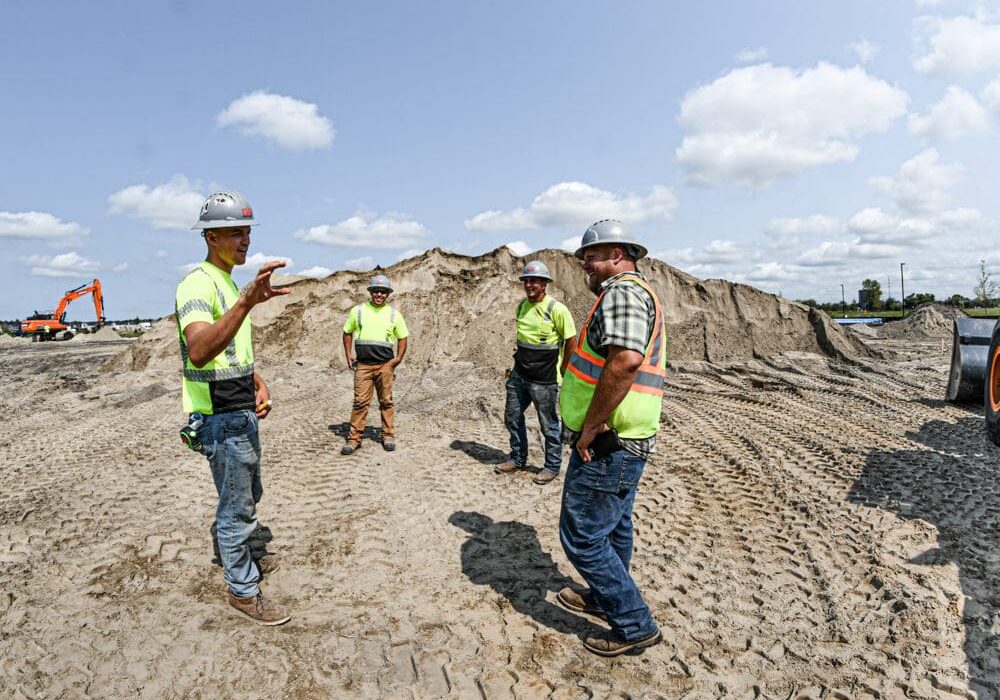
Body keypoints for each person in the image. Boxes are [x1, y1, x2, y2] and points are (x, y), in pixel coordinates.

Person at [175, 191, 292, 625]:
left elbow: (230, 353)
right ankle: (243, 591)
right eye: (235, 232)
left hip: (239, 409)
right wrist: (246, 302)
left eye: (247, 231)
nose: (245, 240)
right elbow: (201, 350)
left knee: (247, 495)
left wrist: (257, 381)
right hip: (220, 419)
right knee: (236, 507)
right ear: (210, 237)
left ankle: (244, 557)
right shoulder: (198, 284)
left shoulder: (224, 282)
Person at [556, 219, 666, 656]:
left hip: (608, 439)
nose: (585, 264)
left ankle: (633, 623)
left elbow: (624, 362)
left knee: (582, 535)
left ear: (617, 255)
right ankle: (606, 598)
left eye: (592, 256)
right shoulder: (634, 293)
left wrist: (590, 427)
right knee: (615, 524)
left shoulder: (622, 292)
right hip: (625, 437)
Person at [495, 260, 577, 485]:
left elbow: (571, 340)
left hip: (545, 380)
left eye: (535, 281)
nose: (530, 285)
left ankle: (551, 466)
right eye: (527, 281)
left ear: (544, 284)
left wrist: (564, 367)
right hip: (520, 375)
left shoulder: (557, 310)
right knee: (512, 416)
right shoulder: (521, 307)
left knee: (548, 424)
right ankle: (518, 458)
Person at [341, 274, 409, 454]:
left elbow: (403, 337)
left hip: (385, 365)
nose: (379, 294)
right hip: (363, 365)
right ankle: (354, 439)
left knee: (386, 401)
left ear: (387, 294)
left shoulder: (394, 314)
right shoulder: (358, 311)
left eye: (383, 291)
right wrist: (348, 354)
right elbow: (347, 332)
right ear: (370, 292)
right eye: (376, 291)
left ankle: (388, 435)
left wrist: (398, 359)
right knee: (360, 402)